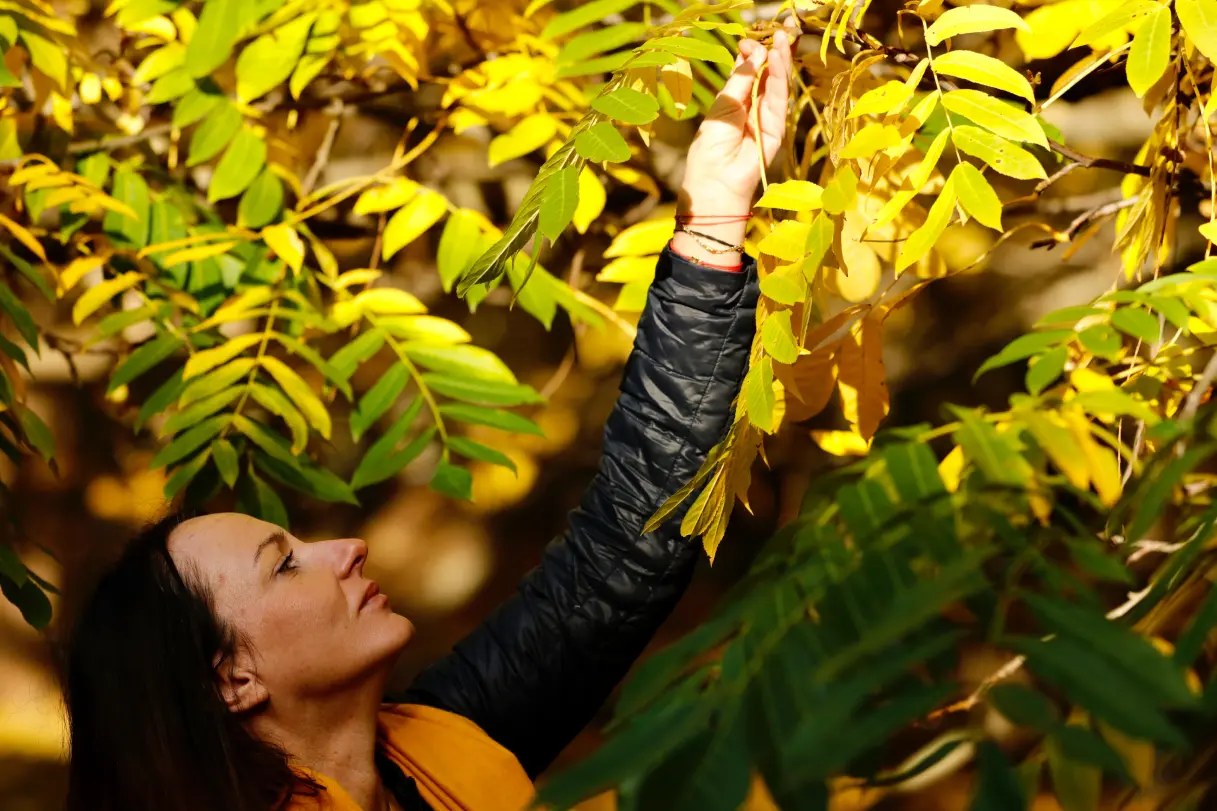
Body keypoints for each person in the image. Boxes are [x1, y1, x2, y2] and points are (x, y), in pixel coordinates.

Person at [62, 24, 797, 811]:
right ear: (233, 678)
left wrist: (713, 219)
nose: (347, 547)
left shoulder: (444, 747)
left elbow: (628, 547)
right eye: (284, 563)